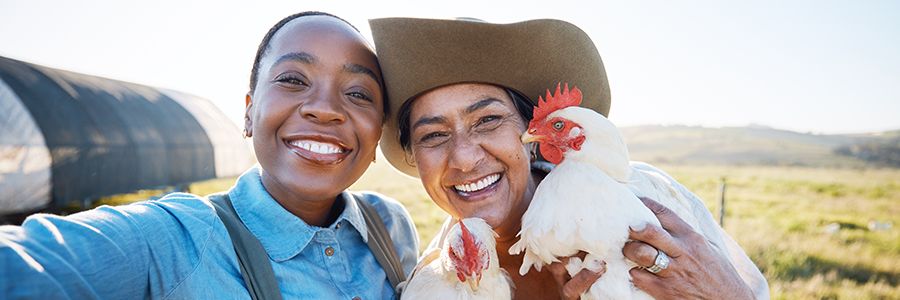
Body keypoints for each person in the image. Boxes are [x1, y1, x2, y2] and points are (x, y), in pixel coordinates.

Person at [0, 12, 418, 299]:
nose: (325, 108)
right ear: (250, 112)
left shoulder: (390, 225)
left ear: (378, 129)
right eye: (293, 79)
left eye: (359, 93)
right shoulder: (175, 238)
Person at [370, 17, 769, 299]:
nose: (464, 158)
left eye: (488, 120)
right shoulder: (437, 280)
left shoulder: (648, 201)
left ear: (530, 134)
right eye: (434, 135)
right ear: (415, 158)